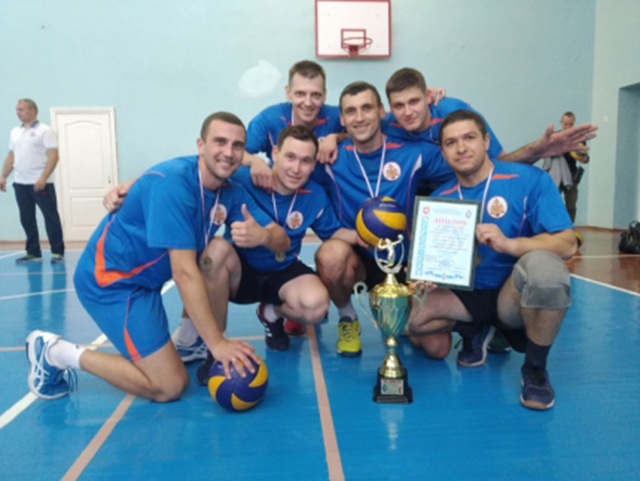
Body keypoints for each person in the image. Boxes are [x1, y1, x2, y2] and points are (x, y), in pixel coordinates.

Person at [25, 112, 290, 401]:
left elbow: (283, 240)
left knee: (219, 250)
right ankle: (55, 352)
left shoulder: (231, 189)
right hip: (111, 284)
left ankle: (190, 341)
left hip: (146, 284)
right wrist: (217, 344)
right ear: (200, 145)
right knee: (168, 386)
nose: (228, 152)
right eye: (220, 142)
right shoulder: (173, 184)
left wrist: (264, 237)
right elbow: (184, 273)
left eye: (237, 145)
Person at [406, 109, 577, 410]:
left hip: (514, 292)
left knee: (547, 269)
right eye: (451, 143)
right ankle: (479, 328)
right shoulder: (440, 200)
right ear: (443, 152)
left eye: (469, 138)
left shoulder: (529, 179)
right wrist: (424, 274)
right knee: (415, 320)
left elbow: (568, 243)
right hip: (471, 294)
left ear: (486, 141)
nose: (461, 148)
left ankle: (535, 369)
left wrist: (510, 244)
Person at [171, 125, 355, 376]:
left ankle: (271, 312)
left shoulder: (315, 194)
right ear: (275, 153)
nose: (296, 168)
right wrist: (136, 185)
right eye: (290, 157)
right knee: (214, 252)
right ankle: (216, 349)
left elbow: (333, 233)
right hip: (240, 270)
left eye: (305, 161)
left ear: (313, 164)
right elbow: (193, 169)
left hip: (283, 267)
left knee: (316, 307)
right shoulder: (243, 177)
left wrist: (366, 235)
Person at [312, 81, 450, 357]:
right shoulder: (329, 159)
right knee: (330, 256)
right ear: (342, 119)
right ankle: (348, 317)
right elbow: (289, 177)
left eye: (366, 108)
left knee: (437, 349)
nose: (359, 117)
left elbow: (465, 171)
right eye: (350, 111)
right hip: (358, 257)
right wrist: (252, 163)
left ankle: (397, 316)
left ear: (381, 112)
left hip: (403, 260)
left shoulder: (413, 153)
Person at [1, 99, 65, 264]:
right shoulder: (15, 132)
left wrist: (43, 177)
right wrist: (3, 176)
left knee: (50, 217)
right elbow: (11, 156)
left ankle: (57, 252)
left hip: (41, 183)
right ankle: (33, 252)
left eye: (21, 109)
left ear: (32, 110)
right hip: (20, 183)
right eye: (17, 109)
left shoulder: (45, 131)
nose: (18, 113)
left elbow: (53, 156)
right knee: (26, 218)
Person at [541, 112, 589, 223]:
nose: (568, 127)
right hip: (555, 175)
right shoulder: (554, 136)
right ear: (561, 123)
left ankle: (569, 228)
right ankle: (552, 227)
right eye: (566, 124)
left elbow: (585, 158)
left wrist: (583, 158)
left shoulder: (579, 138)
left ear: (574, 123)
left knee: (571, 205)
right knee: (552, 203)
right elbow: (545, 153)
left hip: (571, 176)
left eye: (571, 124)